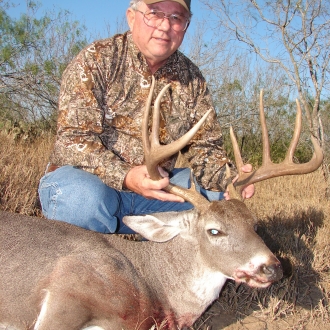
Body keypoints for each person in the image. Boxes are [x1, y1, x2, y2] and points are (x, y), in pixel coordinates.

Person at [38, 0, 254, 234]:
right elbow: (71, 142)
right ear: (131, 17)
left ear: (186, 26)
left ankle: (153, 254)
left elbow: (205, 150)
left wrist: (230, 179)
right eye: (154, 14)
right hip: (90, 187)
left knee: (216, 199)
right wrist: (127, 176)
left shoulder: (192, 80)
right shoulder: (96, 60)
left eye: (176, 18)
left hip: (156, 196)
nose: (164, 26)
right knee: (81, 202)